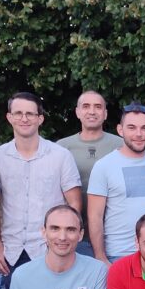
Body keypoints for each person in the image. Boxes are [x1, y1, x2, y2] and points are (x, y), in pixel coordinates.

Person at [0, 92, 81, 288]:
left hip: (49, 249)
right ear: (9, 117)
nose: (24, 118)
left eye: (30, 113)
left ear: (40, 119)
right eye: (18, 113)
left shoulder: (61, 156)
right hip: (10, 253)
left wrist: (67, 243)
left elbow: (74, 203)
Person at [86, 102, 145, 263]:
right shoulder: (104, 166)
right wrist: (100, 257)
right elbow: (95, 216)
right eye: (131, 127)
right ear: (120, 130)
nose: (138, 134)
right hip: (117, 255)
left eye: (144, 128)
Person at [56, 90, 124, 256]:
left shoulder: (121, 145)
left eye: (98, 107)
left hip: (113, 232)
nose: (92, 111)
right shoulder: (62, 147)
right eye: (86, 106)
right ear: (78, 112)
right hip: (73, 232)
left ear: (105, 113)